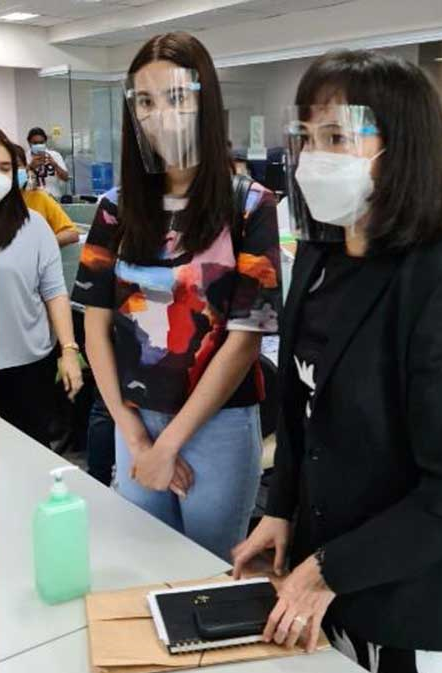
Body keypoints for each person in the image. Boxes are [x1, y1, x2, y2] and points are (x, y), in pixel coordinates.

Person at [233, 50, 442, 673]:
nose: (313, 158)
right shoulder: (318, 259)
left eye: (337, 137)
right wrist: (280, 510)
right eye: (307, 137)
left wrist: (326, 571)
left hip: (412, 598)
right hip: (325, 579)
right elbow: (302, 414)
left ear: (401, 150)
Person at [72, 32, 281, 561]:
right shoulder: (115, 208)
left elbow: (245, 339)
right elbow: (95, 326)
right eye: (145, 101)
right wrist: (137, 438)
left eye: (176, 97)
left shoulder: (250, 206)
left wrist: (168, 446)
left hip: (218, 422)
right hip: (134, 417)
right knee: (142, 564)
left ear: (205, 101)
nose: (159, 115)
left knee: (207, 569)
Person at [0, 129, 83, 446]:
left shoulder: (34, 226)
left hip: (29, 364)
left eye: (5, 168)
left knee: (31, 452)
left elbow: (55, 293)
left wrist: (69, 350)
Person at [14, 144, 79, 247]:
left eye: (16, 165)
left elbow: (71, 233)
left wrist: (41, 246)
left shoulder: (38, 197)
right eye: (3, 168)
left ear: (25, 167)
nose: (10, 171)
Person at [26, 127, 69, 199]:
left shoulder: (55, 155)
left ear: (45, 142)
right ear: (29, 142)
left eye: (41, 143)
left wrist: (55, 165)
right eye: (35, 143)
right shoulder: (24, 158)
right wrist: (31, 167)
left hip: (53, 197)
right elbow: (19, 182)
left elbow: (66, 178)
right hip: (33, 198)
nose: (38, 145)